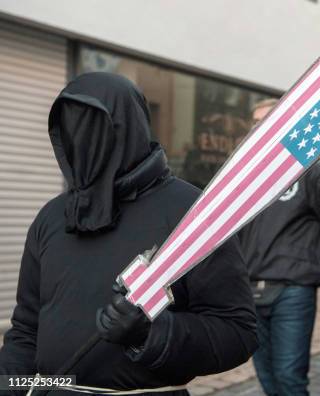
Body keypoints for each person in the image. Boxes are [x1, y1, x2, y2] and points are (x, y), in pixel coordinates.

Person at [0, 73, 258, 395]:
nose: (81, 141)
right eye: (72, 128)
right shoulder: (51, 217)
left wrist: (152, 334)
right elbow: (26, 328)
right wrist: (9, 384)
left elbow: (238, 331)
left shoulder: (192, 214)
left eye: (93, 128)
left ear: (126, 129)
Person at [239, 99, 320, 396]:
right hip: (248, 291)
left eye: (266, 119)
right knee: (267, 379)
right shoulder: (240, 176)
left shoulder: (308, 171)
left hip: (293, 291)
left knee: (290, 379)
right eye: (255, 121)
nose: (259, 126)